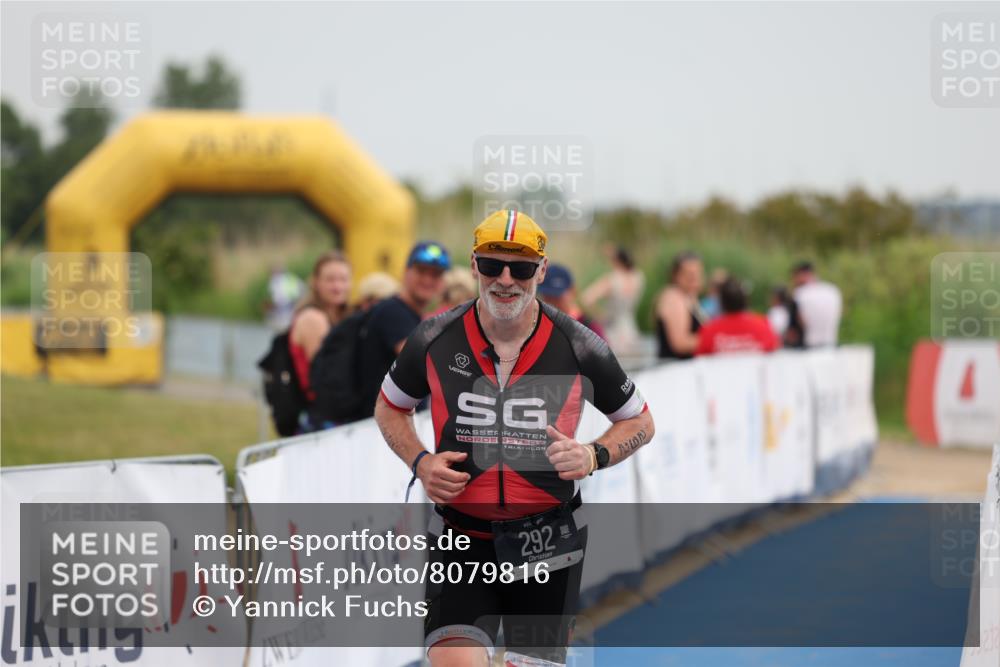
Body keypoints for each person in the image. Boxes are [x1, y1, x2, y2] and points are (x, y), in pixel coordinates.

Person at [374, 209, 654, 667]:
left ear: (541, 271)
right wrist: (420, 462)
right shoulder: (434, 337)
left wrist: (592, 454)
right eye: (492, 265)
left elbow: (640, 422)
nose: (506, 279)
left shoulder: (578, 344)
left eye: (521, 267)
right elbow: (389, 406)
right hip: (459, 538)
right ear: (473, 265)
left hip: (546, 540)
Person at [355, 241, 450, 419]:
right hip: (377, 427)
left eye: (435, 274)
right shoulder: (393, 312)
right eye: (421, 271)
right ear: (406, 272)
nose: (428, 280)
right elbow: (427, 364)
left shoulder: (411, 315)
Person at [288, 251, 352, 430]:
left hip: (332, 414)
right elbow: (328, 374)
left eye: (343, 279)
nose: (338, 286)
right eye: (330, 280)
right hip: (320, 418)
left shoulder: (339, 317)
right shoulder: (313, 318)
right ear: (315, 282)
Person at [581, 245, 644, 356]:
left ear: (616, 260)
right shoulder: (638, 277)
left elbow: (587, 298)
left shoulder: (612, 280)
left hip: (613, 331)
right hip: (631, 329)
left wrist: (600, 316)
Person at [695, 277, 780, 355]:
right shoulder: (763, 326)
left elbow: (700, 357)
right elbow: (774, 350)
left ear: (722, 303)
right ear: (745, 300)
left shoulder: (709, 330)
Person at [654, 251, 706, 360]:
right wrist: (715, 338)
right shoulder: (674, 298)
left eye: (697, 273)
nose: (694, 278)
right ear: (676, 275)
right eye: (689, 274)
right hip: (674, 370)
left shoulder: (689, 297)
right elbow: (680, 343)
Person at [539, 263, 605, 338]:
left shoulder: (590, 327)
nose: (551, 302)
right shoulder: (545, 330)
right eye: (547, 297)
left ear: (573, 291)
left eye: (556, 297)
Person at [791, 261, 842, 348]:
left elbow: (801, 321)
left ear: (801, 275)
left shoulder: (800, 294)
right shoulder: (833, 290)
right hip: (831, 344)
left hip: (810, 346)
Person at [265, 263, 305, 331]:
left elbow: (277, 297)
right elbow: (303, 289)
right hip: (293, 304)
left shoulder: (276, 280)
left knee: (284, 327)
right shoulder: (291, 277)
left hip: (286, 306)